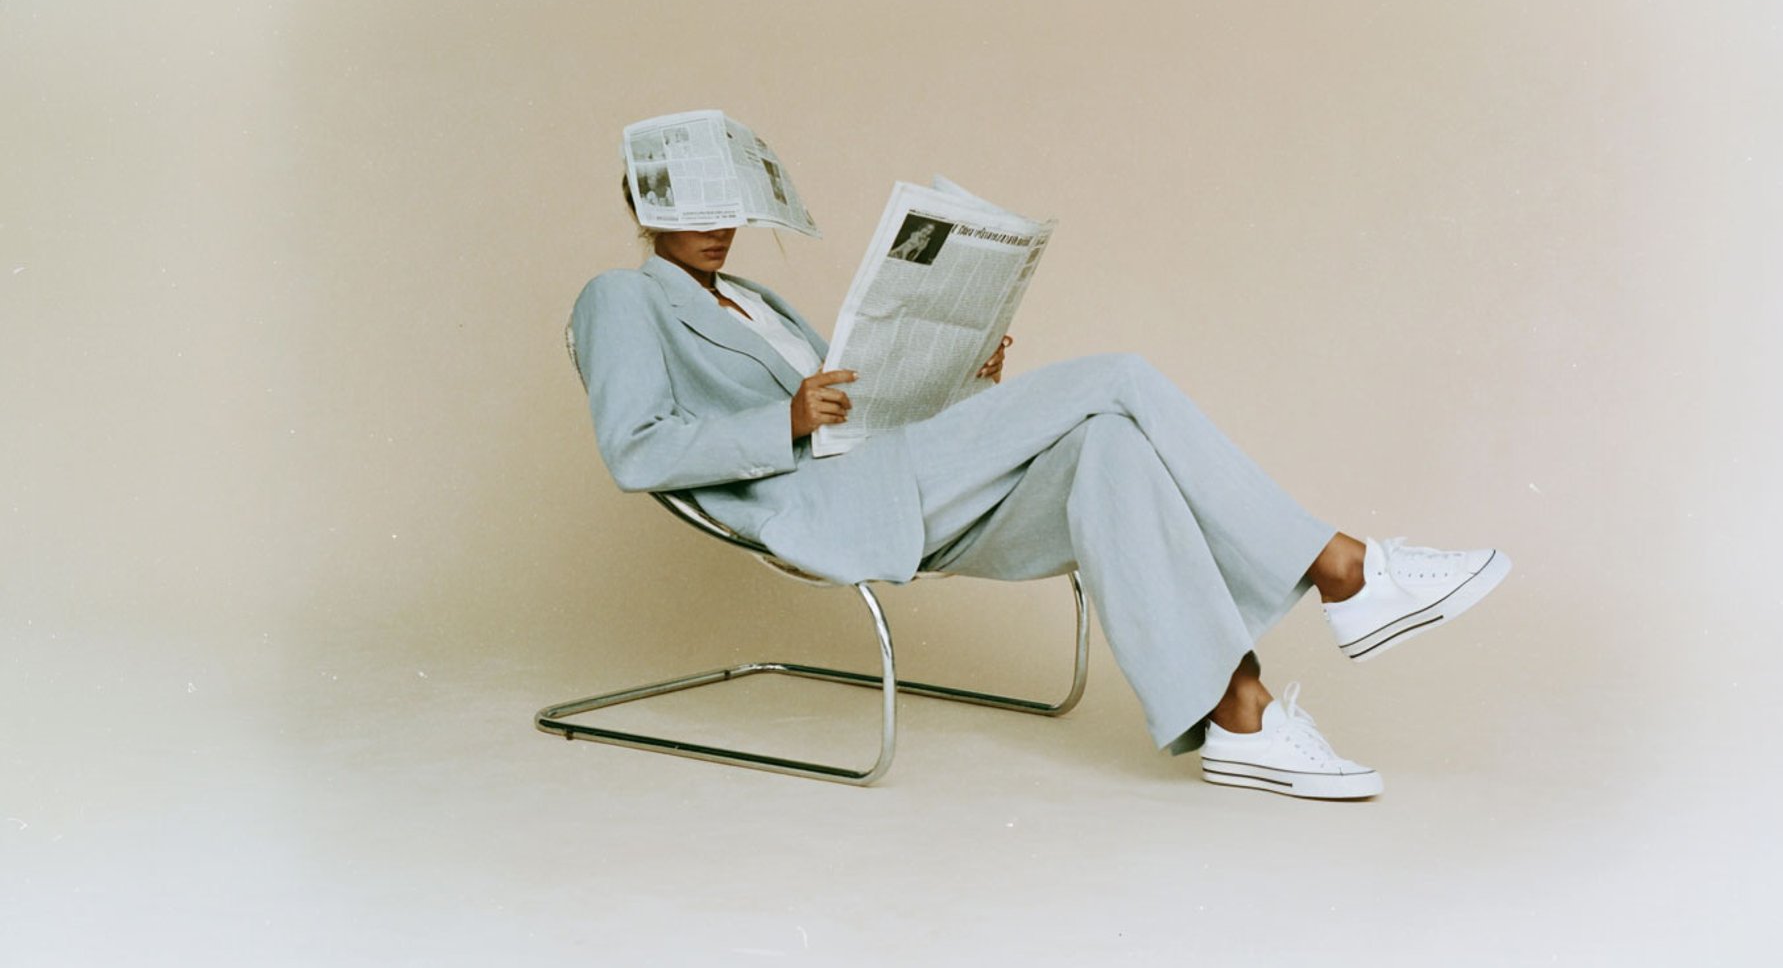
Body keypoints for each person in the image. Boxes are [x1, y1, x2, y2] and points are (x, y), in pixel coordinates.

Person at [569, 173, 1511, 800]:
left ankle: (1241, 718)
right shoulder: (622, 297)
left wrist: (960, 379)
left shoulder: (757, 301)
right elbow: (636, 450)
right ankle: (1347, 570)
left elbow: (865, 415)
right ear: (646, 205)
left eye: (728, 205)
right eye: (692, 207)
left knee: (1110, 443)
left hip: (894, 480)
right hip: (827, 506)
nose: (717, 225)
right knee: (1120, 376)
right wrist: (783, 420)